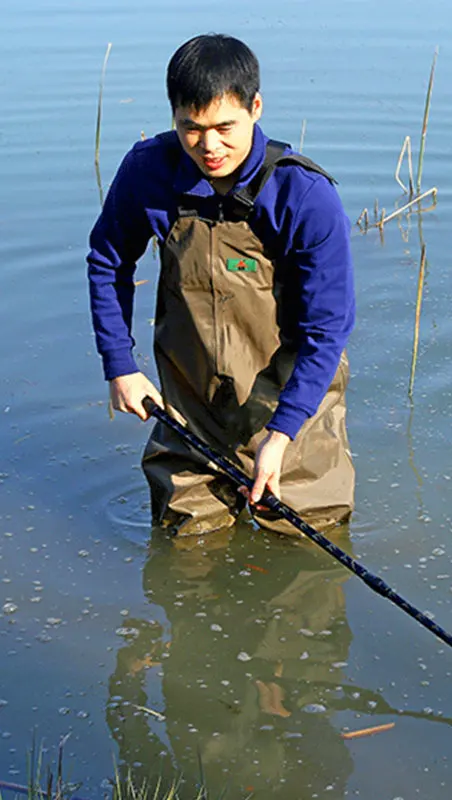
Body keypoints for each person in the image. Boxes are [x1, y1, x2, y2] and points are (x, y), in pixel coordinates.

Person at [87, 34, 355, 536]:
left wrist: (281, 434)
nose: (209, 147)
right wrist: (120, 367)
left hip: (293, 400)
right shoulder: (146, 173)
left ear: (256, 108)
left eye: (225, 127)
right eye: (191, 128)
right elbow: (107, 262)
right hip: (190, 407)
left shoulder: (305, 195)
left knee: (311, 550)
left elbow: (329, 328)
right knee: (186, 547)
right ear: (174, 117)